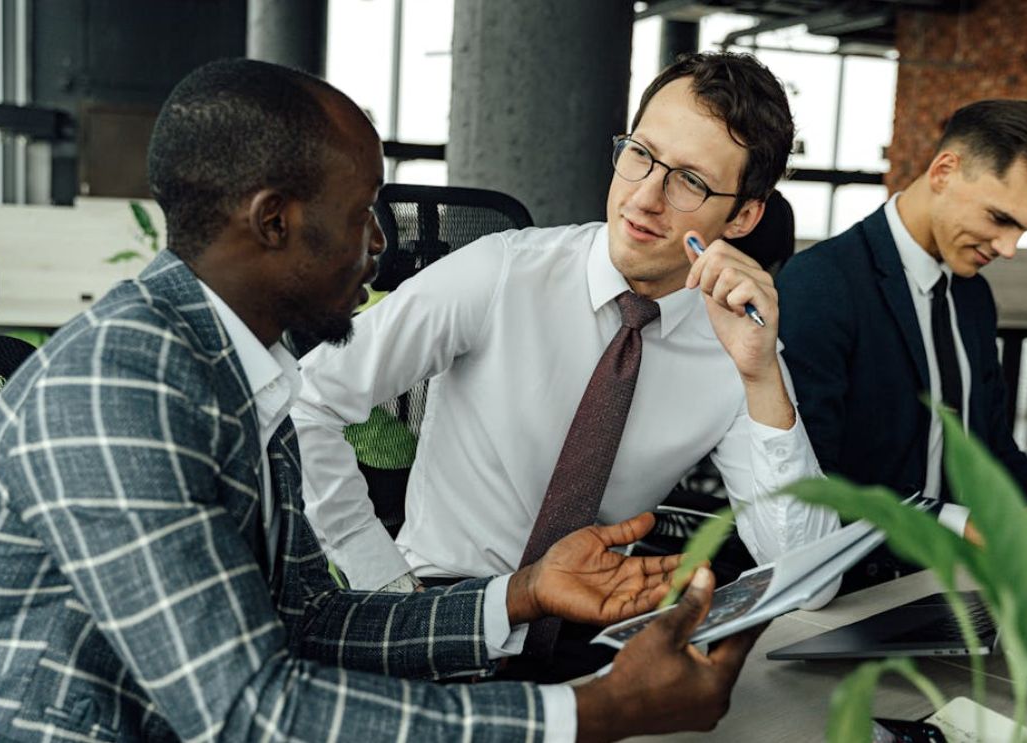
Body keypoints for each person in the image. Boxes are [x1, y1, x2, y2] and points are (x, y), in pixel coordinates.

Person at [0, 59, 762, 742]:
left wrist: (522, 593)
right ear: (275, 221)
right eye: (362, 213)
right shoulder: (118, 386)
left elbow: (307, 620)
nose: (380, 244)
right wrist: (594, 714)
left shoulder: (235, 367)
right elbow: (249, 715)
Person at [293, 51, 840, 680]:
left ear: (743, 216)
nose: (645, 196)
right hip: (443, 605)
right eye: (641, 153)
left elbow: (808, 578)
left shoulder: (737, 342)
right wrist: (384, 585)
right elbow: (306, 402)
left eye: (690, 180)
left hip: (597, 629)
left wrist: (760, 375)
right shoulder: (501, 272)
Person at [776, 99, 1027, 592]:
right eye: (999, 218)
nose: (1008, 249)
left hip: (953, 587)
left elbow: (992, 453)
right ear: (944, 171)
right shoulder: (821, 284)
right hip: (848, 592)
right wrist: (957, 522)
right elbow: (808, 480)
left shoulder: (973, 296)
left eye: (1024, 233)